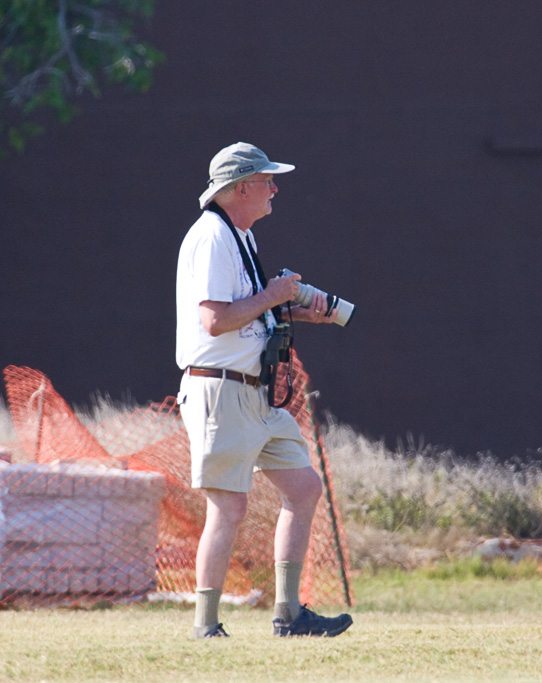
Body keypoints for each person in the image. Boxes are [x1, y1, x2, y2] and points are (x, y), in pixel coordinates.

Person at [175, 141, 353, 639]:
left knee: (304, 488)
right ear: (240, 188)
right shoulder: (212, 236)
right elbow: (214, 321)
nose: (275, 188)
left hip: (254, 392)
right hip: (220, 392)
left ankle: (290, 613)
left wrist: (294, 308)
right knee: (228, 507)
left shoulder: (241, 237)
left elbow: (246, 311)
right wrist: (275, 294)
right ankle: (205, 626)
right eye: (267, 180)